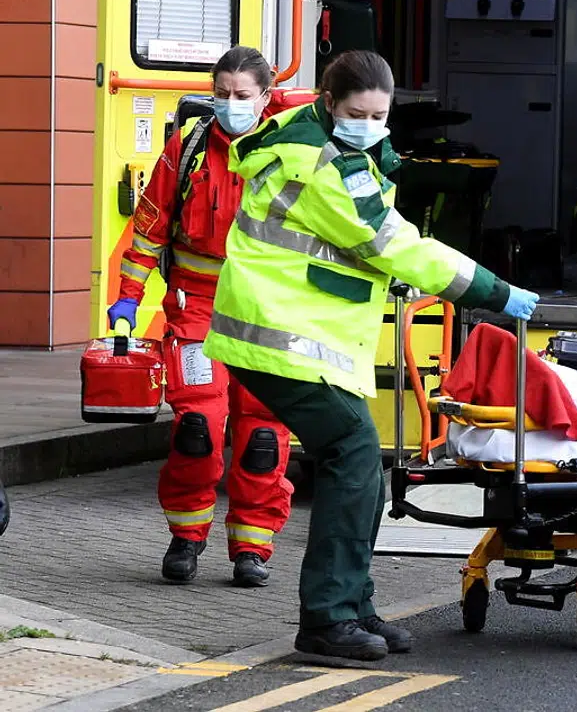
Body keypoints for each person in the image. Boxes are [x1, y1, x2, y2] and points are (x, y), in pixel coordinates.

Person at [201, 50, 540, 662]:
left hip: (301, 336)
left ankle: (352, 606)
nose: (370, 123)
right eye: (358, 112)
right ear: (329, 104)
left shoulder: (334, 149)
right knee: (354, 457)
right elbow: (394, 245)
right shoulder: (320, 165)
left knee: (359, 472)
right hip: (280, 337)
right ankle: (329, 620)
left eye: (381, 114)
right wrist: (494, 290)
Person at [107, 46, 295, 588]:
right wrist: (128, 298)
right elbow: (149, 231)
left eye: (242, 95)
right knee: (198, 429)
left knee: (262, 435)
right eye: (222, 94)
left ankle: (252, 549)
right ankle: (187, 537)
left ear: (265, 97)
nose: (231, 105)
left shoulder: (289, 157)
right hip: (197, 312)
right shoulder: (187, 150)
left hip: (266, 315)